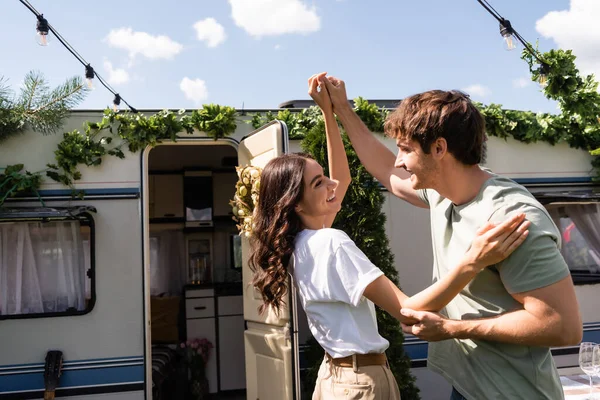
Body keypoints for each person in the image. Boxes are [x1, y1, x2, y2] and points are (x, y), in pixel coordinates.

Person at [248, 72, 530, 400]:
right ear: (295, 204)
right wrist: (473, 261)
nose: (332, 185)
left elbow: (343, 178)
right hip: (361, 381)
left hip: (333, 376)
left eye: (324, 177)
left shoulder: (302, 242)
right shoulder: (331, 241)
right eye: (318, 183)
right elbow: (408, 310)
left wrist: (330, 111)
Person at [318, 75, 583, 399]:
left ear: (439, 148)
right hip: (468, 386)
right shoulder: (441, 194)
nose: (400, 159)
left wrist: (454, 329)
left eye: (405, 149)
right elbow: (386, 170)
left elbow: (564, 326)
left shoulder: (510, 217)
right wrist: (341, 109)